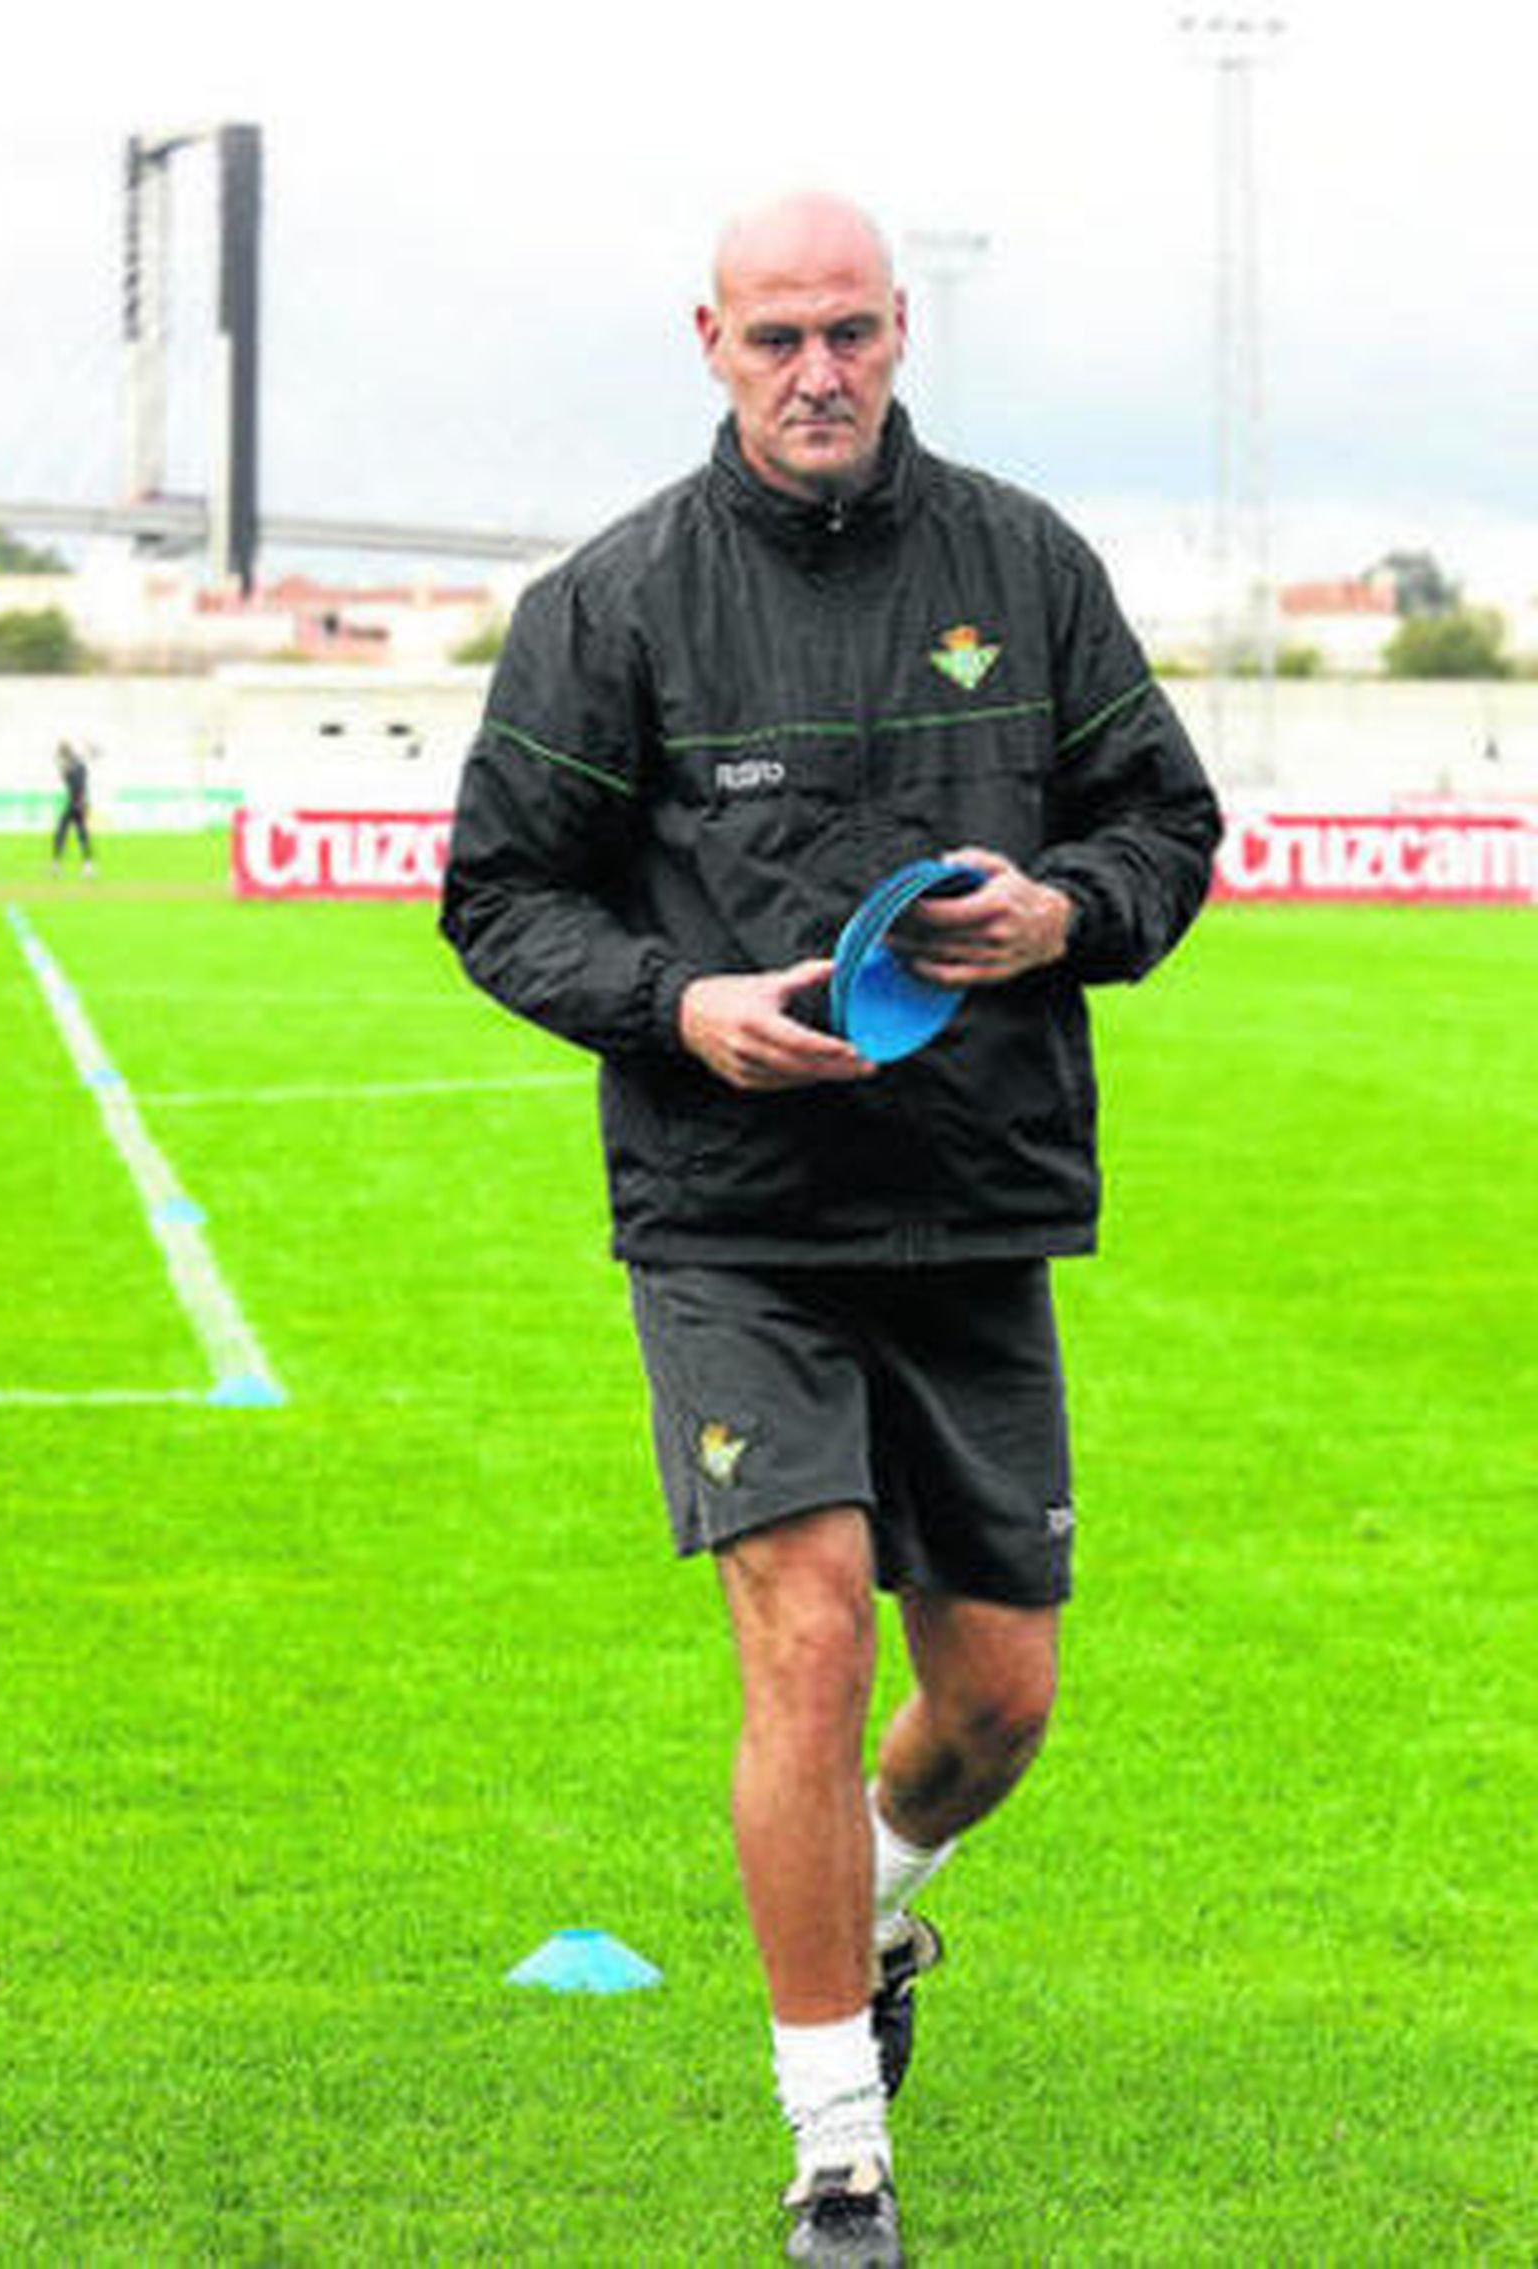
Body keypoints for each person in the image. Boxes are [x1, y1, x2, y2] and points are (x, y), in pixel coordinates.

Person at [440, 192, 1222, 2266]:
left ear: (897, 337)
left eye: (850, 332)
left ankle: (859, 1910)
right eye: (778, 334)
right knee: (805, 1630)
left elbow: (1166, 823)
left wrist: (1067, 909)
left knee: (999, 1702)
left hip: (973, 1204)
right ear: (708, 339)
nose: (818, 371)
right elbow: (499, 893)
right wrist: (678, 1003)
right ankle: (835, 2153)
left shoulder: (1024, 566)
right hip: (733, 1212)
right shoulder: (612, 600)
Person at [52, 739, 96, 873]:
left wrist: (66, 768)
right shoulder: (78, 765)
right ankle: (87, 865)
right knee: (82, 834)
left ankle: (57, 865)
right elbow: (77, 778)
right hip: (80, 803)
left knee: (62, 831)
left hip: (75, 803)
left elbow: (69, 779)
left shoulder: (71, 767)